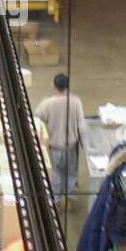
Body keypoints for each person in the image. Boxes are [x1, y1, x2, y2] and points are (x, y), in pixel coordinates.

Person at [35, 74, 85, 206]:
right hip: (71, 147)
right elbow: (81, 125)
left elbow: (38, 116)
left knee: (56, 173)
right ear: (67, 86)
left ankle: (56, 202)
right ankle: (70, 200)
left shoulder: (47, 103)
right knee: (71, 173)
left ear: (54, 85)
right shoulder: (76, 102)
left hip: (55, 146)